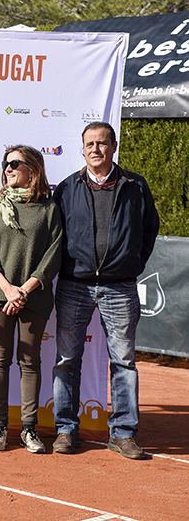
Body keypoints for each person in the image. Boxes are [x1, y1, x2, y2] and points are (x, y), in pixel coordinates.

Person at [52, 121, 159, 460]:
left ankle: (123, 433)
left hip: (120, 287)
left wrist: (131, 265)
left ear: (113, 147)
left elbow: (149, 231)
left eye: (102, 143)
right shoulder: (67, 188)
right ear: (82, 149)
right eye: (89, 144)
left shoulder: (136, 186)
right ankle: (66, 429)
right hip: (74, 286)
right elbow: (56, 237)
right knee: (67, 360)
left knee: (124, 362)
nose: (95, 149)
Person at [0, 146, 62, 453]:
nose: (8, 168)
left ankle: (29, 429)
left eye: (15, 163)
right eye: (6, 164)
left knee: (29, 362)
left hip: (34, 297)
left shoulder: (48, 207)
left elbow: (53, 256)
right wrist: (7, 289)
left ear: (33, 169)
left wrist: (24, 290)